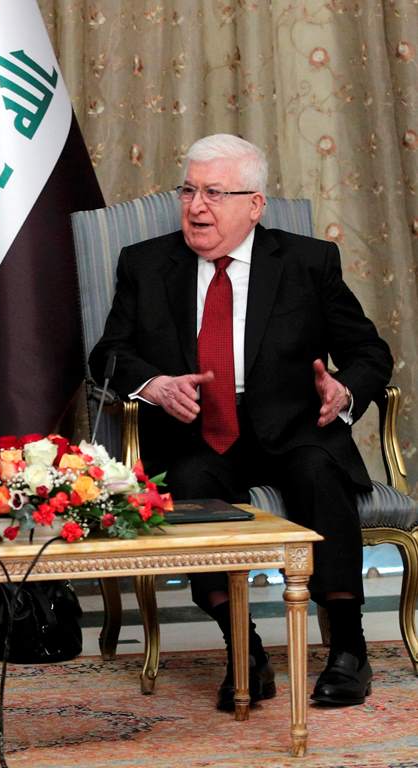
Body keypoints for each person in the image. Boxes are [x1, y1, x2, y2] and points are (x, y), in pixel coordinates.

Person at [90, 134, 392, 710]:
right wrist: (155, 385)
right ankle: (243, 651)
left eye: (214, 193)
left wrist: (345, 389)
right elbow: (107, 353)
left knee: (316, 469)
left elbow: (370, 351)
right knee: (192, 479)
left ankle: (349, 648)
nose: (196, 206)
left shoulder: (308, 261)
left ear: (254, 204)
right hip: (199, 429)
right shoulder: (147, 264)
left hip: (295, 424)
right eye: (189, 190)